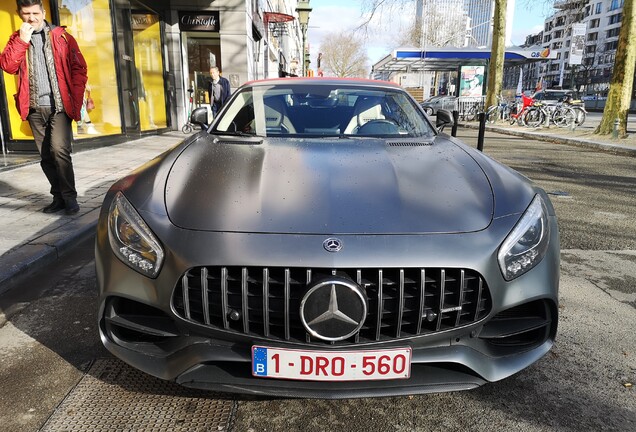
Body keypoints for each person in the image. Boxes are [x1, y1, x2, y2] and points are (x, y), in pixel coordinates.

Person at [0, 0, 87, 215]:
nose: (31, 18)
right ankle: (57, 197)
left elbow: (79, 69)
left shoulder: (62, 37)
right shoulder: (17, 38)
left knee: (59, 150)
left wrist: (74, 100)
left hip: (59, 105)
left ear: (44, 12)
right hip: (34, 108)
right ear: (20, 14)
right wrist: (22, 41)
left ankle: (70, 198)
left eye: (35, 13)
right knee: (46, 156)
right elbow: (8, 66)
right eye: (26, 13)